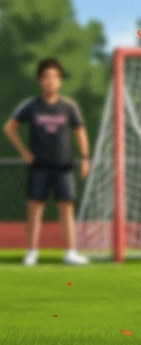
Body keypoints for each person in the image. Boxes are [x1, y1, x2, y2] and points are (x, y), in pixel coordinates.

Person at [2, 57, 91, 265]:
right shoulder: (31, 106)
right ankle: (31, 252)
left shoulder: (68, 107)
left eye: (54, 77)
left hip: (63, 166)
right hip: (39, 166)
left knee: (66, 208)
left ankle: (70, 252)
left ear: (60, 81)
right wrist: (24, 152)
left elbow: (80, 132)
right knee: (34, 209)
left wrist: (85, 157)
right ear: (40, 80)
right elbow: (9, 128)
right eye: (46, 77)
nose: (50, 81)